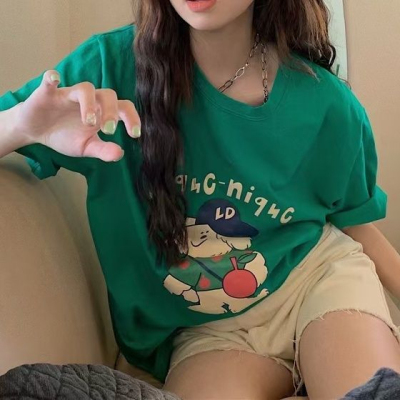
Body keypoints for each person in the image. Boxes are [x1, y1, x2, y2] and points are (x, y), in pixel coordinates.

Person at [1, 0, 400, 398]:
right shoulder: (108, 71)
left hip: (317, 281)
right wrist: (21, 126)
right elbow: (17, 122)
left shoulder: (326, 103)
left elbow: (354, 224)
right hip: (208, 329)